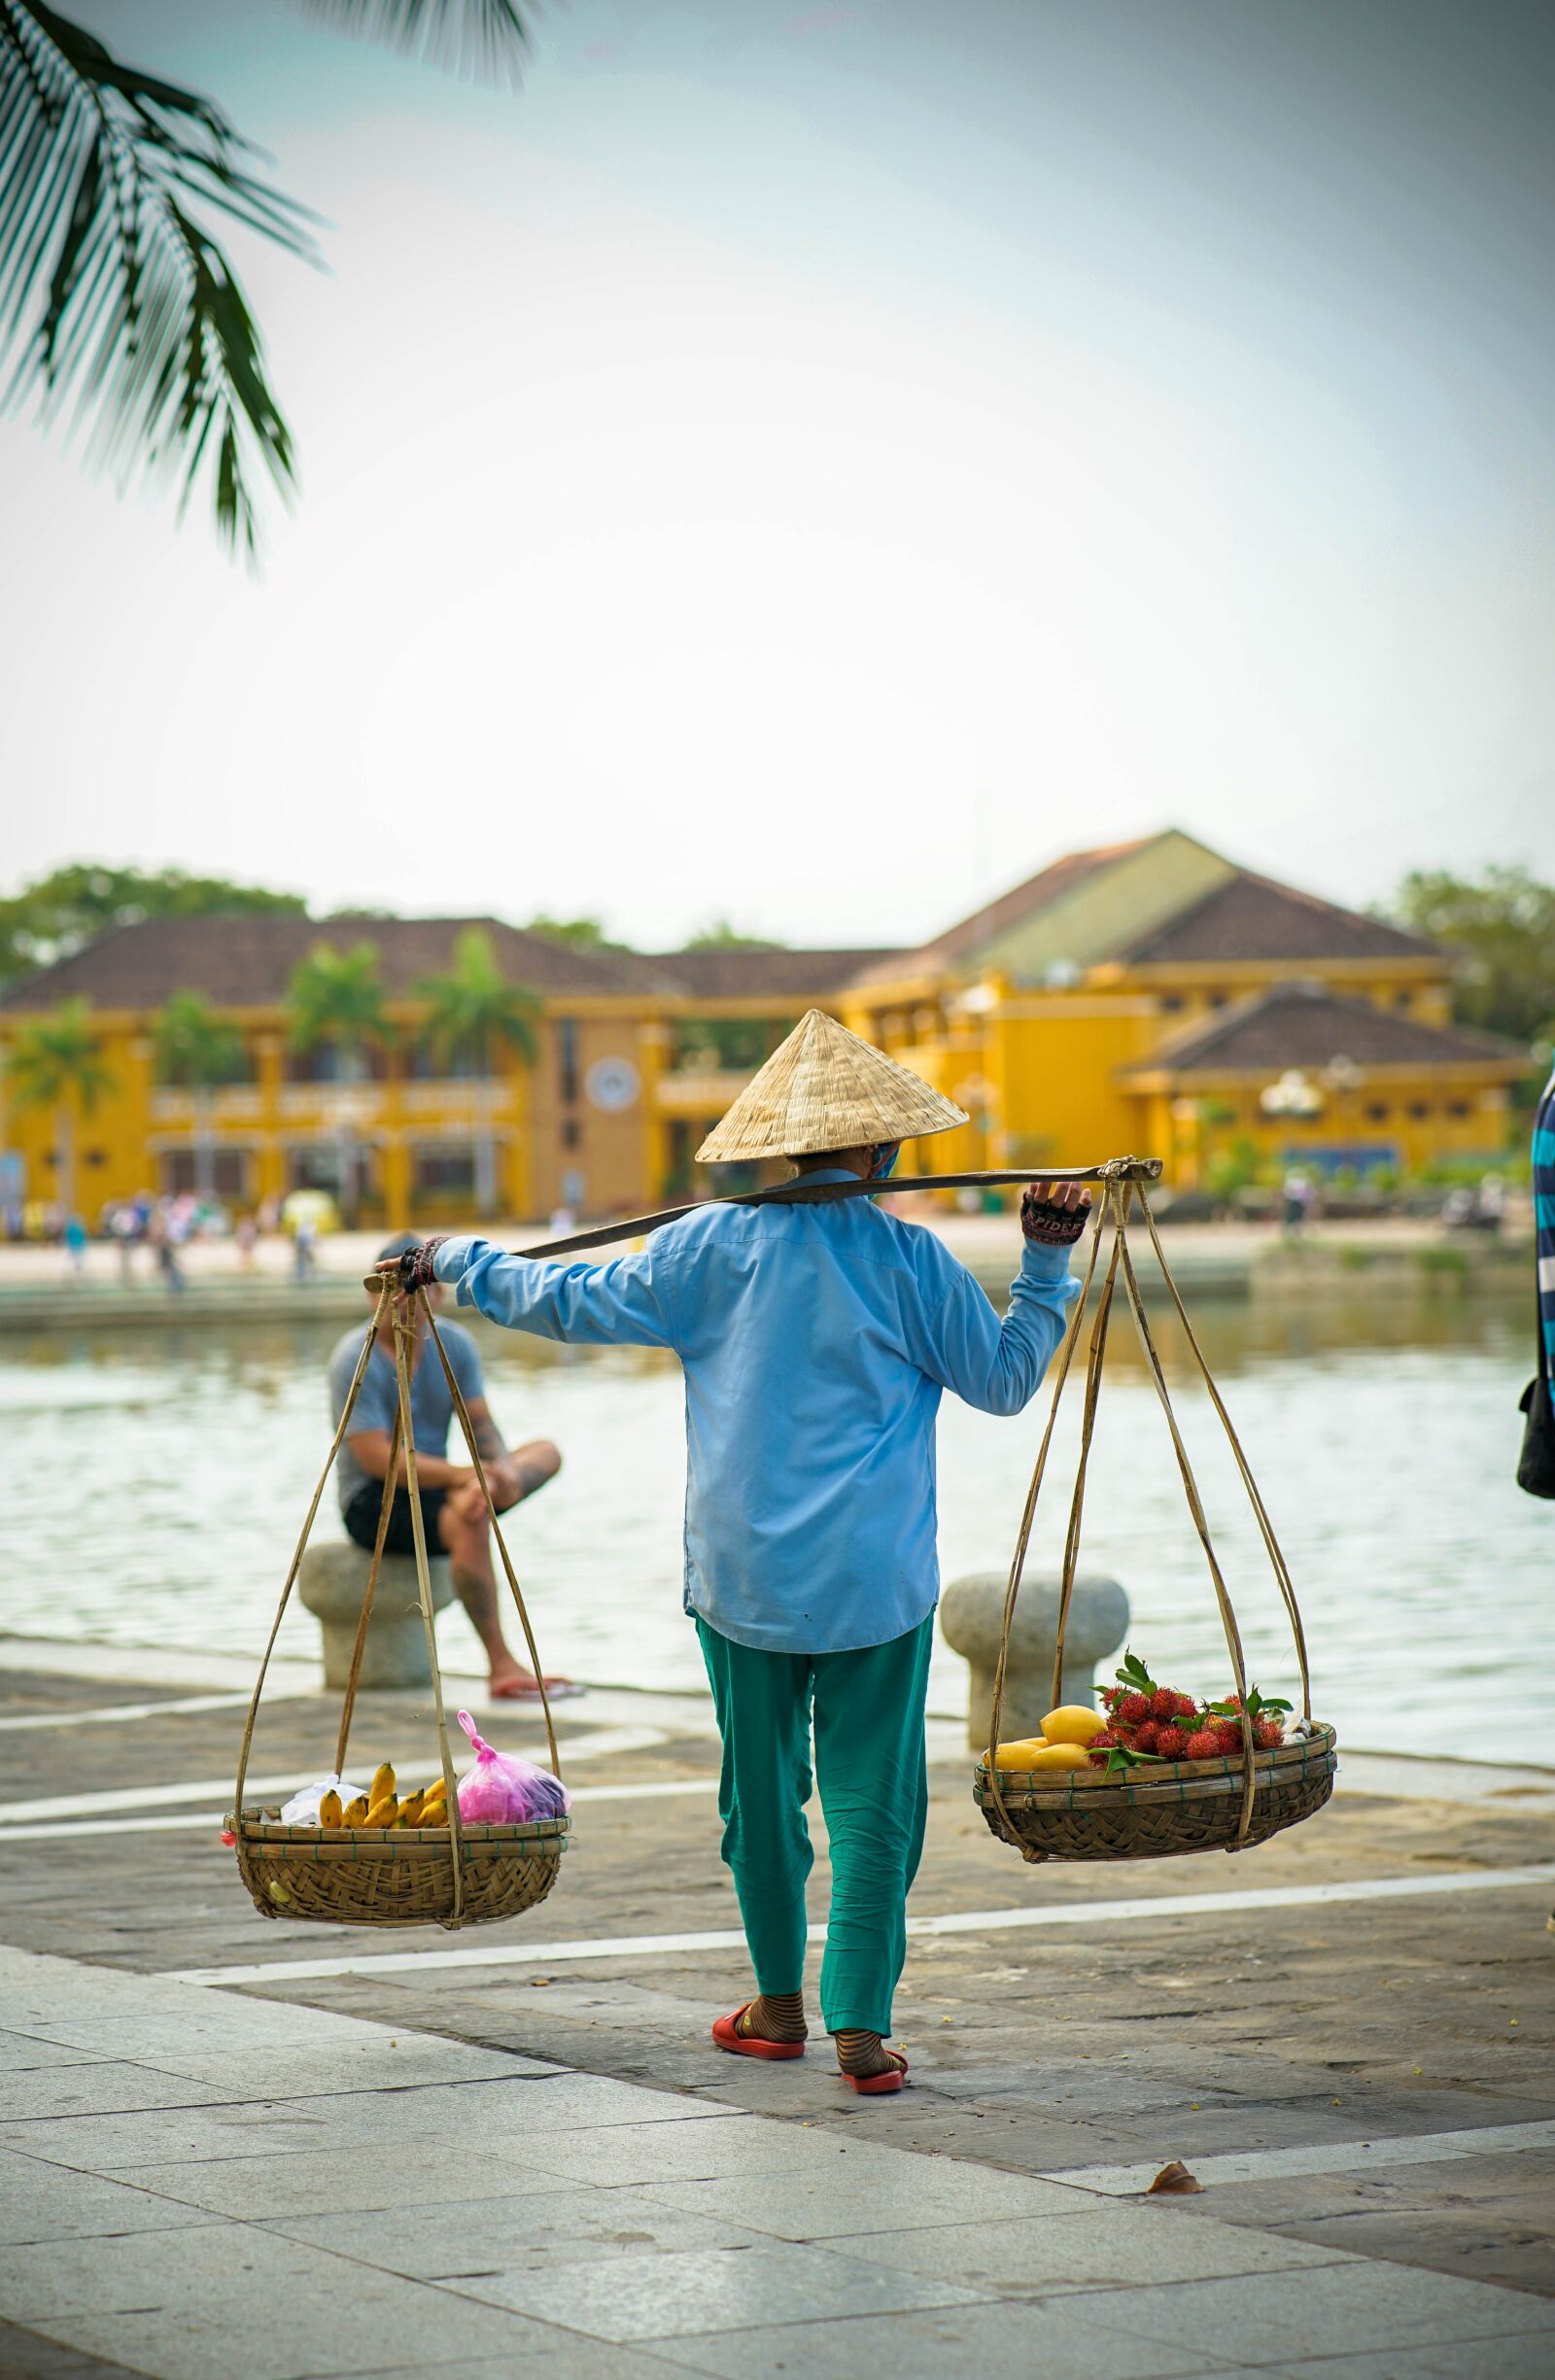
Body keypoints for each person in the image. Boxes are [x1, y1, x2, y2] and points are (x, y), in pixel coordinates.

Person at [384, 1010, 1089, 2093]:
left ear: (785, 1147)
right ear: (879, 1151)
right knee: (871, 1807)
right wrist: (1046, 1263)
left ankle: (776, 2005)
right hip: (873, 1581)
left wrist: (450, 1258)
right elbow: (1001, 1381)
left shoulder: (708, 1246)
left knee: (758, 1800)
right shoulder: (910, 1259)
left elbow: (562, 1296)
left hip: (742, 1579)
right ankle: (858, 2018)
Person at [329, 1232, 574, 1702]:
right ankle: (500, 1663)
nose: (402, 1301)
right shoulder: (355, 1357)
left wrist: (496, 1469)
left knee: (544, 1452)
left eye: (414, 1291)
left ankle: (480, 1492)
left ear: (436, 1294)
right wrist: (467, 1477)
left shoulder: (453, 1344)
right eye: (388, 1291)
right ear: (373, 1294)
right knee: (468, 1518)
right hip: (375, 1501)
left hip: (444, 1486)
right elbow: (376, 1459)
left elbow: (479, 1421)